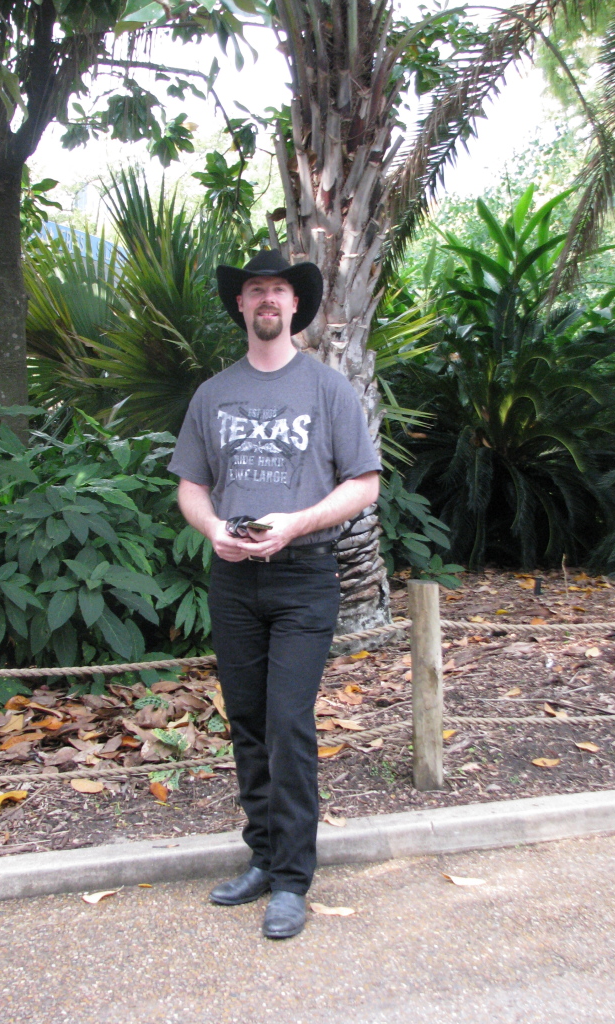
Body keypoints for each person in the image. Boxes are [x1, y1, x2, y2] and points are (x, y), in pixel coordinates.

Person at [168, 248, 381, 939]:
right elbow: (191, 487)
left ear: (295, 306)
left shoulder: (327, 390)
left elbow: (363, 484)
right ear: (241, 304)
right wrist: (213, 530)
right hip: (233, 581)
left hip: (304, 577)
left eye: (278, 290)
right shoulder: (213, 394)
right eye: (255, 289)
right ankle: (262, 856)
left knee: (289, 723)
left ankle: (293, 879)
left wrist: (296, 523)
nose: (266, 299)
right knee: (249, 721)